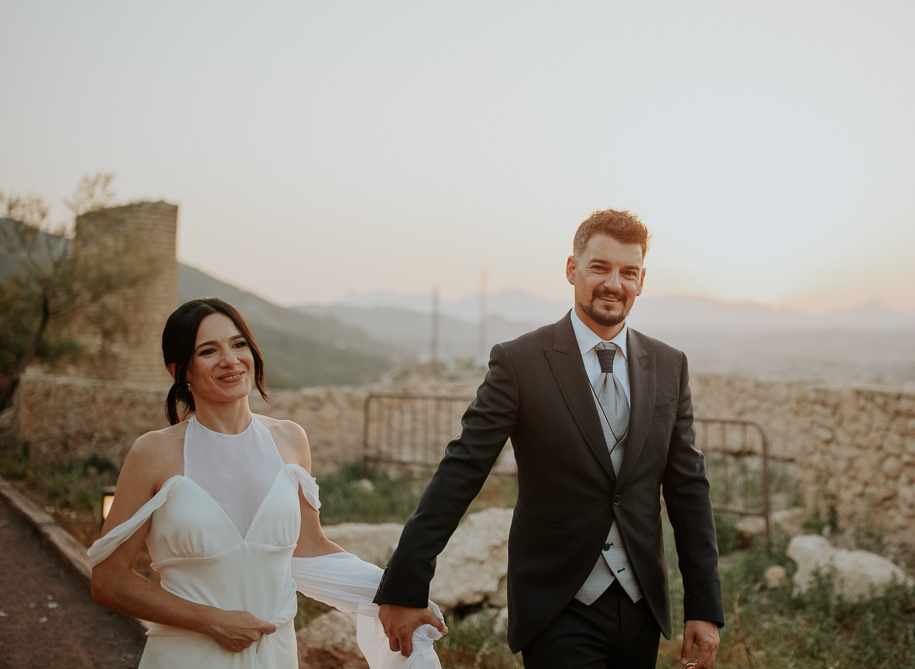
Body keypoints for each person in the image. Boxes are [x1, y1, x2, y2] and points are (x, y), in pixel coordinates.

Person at [376, 209, 723, 669]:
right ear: (572, 269)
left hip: (641, 607)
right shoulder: (519, 361)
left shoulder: (668, 364)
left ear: (641, 281)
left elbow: (688, 489)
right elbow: (463, 469)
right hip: (558, 604)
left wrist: (704, 605)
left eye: (628, 272)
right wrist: (406, 581)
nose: (613, 284)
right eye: (600, 267)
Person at [89, 297, 446, 669]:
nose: (230, 359)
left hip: (275, 656)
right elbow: (109, 580)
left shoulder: (290, 440)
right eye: (209, 351)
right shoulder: (153, 453)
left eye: (238, 344)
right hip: (186, 656)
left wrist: (396, 593)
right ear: (180, 370)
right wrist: (213, 621)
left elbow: (309, 549)